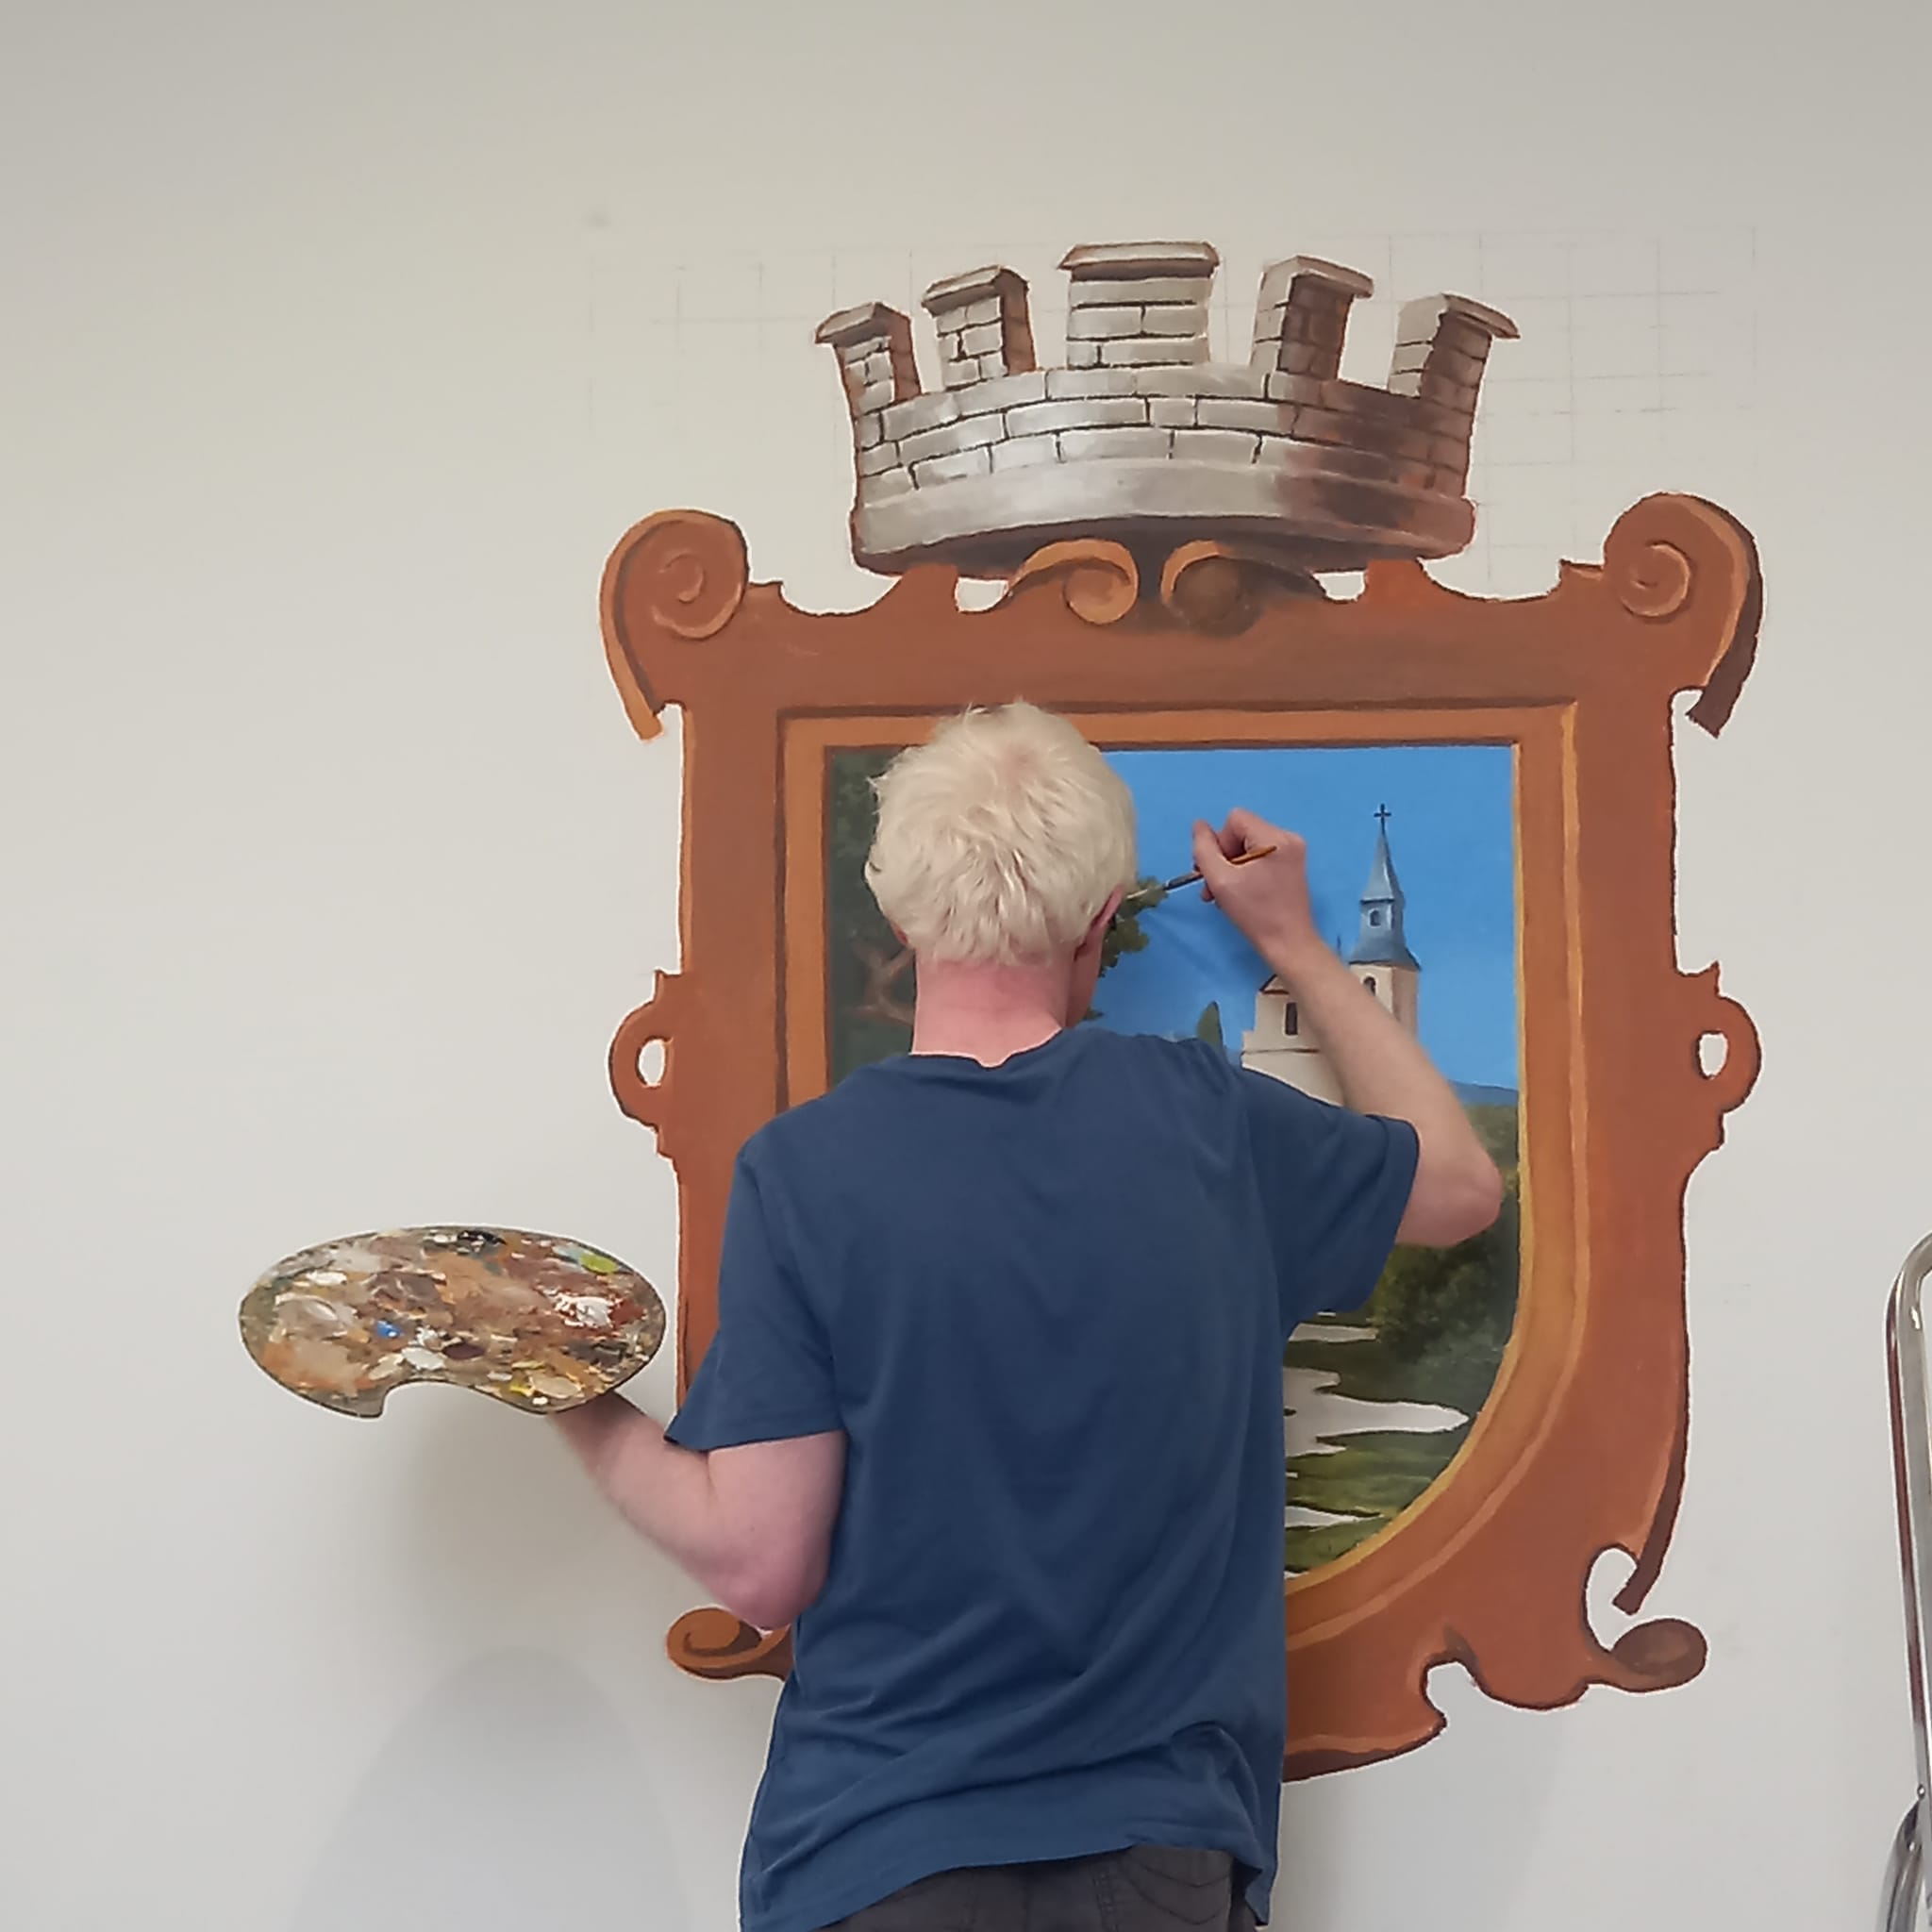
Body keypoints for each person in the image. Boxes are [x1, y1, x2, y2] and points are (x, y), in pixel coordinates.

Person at [556, 703, 1503, 1932]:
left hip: (878, 1849)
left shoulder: (807, 1173)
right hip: (1157, 1853)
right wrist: (1297, 945)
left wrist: (563, 1388)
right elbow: (1460, 1185)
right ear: (1103, 918)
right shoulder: (1213, 1124)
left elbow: (760, 1566)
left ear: (902, 916)